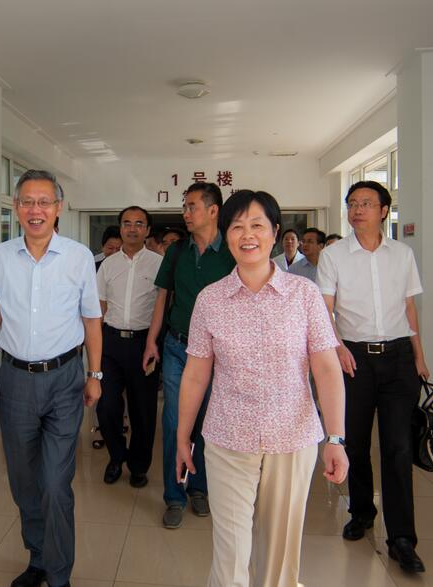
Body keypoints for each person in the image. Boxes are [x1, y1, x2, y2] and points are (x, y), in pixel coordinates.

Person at [176, 189, 348, 587]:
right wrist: (183, 437)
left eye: (257, 225)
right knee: (230, 553)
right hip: (228, 437)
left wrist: (336, 438)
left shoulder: (304, 295)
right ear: (226, 235)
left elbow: (326, 369)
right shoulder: (210, 300)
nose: (247, 235)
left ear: (274, 232)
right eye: (237, 227)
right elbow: (196, 374)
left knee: (280, 555)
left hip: (292, 437)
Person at [0, 169, 102, 587]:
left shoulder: (78, 257)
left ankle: (59, 574)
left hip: (65, 379)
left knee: (56, 483)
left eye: (44, 202)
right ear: (16, 207)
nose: (35, 210)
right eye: (27, 202)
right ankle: (38, 557)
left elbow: (91, 319)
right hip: (16, 380)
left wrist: (94, 374)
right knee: (24, 480)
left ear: (58, 208)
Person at [316, 180, 429, 574]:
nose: (357, 209)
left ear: (384, 211)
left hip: (398, 359)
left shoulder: (402, 254)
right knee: (356, 442)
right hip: (354, 359)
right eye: (352, 203)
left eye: (366, 203)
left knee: (398, 447)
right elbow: (324, 309)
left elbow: (409, 308)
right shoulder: (333, 256)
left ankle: (402, 538)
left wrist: (419, 356)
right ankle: (362, 511)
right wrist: (337, 347)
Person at [142, 182, 236, 529]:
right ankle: (174, 495)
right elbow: (162, 298)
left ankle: (199, 488)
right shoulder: (177, 252)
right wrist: (151, 341)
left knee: (208, 424)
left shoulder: (232, 251)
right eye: (185, 206)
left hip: (217, 354)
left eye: (192, 206)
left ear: (213, 210)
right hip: (177, 347)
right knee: (173, 421)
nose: (185, 213)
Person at [96, 205, 163, 487]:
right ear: (120, 227)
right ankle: (116, 456)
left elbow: (162, 306)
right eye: (127, 223)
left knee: (143, 411)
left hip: (144, 344)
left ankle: (138, 466)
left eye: (138, 224)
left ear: (147, 230)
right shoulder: (107, 265)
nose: (132, 228)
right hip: (110, 343)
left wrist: (154, 342)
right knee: (106, 405)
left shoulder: (159, 264)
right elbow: (99, 307)